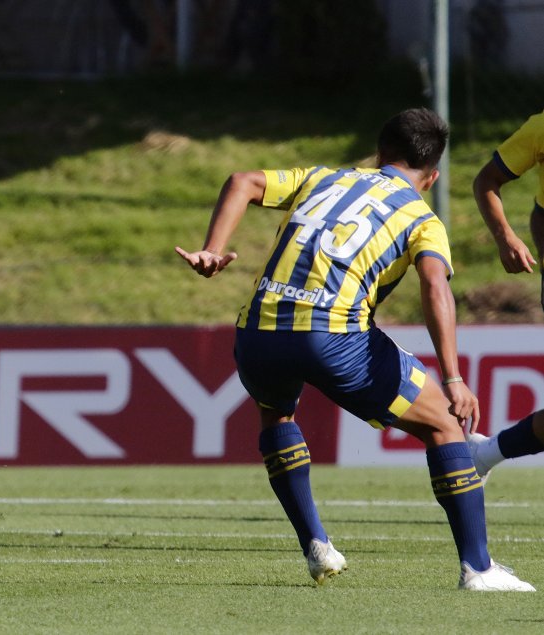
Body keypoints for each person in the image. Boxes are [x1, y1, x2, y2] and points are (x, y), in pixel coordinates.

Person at [176, 108, 534, 591]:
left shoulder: (323, 178)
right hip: (332, 335)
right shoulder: (421, 218)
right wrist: (453, 378)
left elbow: (243, 180)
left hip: (258, 329)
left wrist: (213, 248)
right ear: (432, 177)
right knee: (444, 426)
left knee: (276, 416)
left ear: (379, 153)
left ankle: (316, 544)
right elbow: (435, 286)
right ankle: (478, 568)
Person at [467, 111, 544, 479]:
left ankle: (485, 453)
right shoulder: (541, 127)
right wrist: (505, 237)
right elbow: (487, 180)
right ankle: (485, 453)